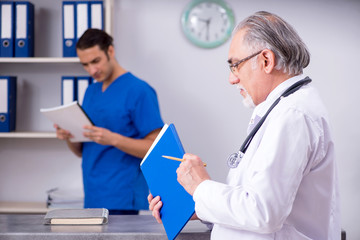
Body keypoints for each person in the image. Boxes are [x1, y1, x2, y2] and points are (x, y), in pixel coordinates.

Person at [149, 11, 340, 239]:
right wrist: (198, 205)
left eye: (235, 65)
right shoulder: (282, 109)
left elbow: (264, 213)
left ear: (266, 60)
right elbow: (255, 203)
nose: (232, 79)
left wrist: (201, 186)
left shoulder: (292, 115)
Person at [55, 28, 164, 215]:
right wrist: (69, 136)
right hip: (92, 196)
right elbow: (83, 151)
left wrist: (113, 139)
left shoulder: (139, 91)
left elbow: (156, 149)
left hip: (122, 197)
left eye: (95, 61)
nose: (92, 70)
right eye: (85, 65)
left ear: (110, 51)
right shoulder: (91, 92)